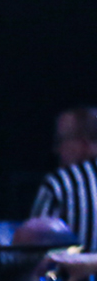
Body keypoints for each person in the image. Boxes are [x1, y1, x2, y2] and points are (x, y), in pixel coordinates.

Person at [31, 106, 97, 253]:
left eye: (61, 141)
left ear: (84, 145)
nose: (57, 150)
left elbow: (32, 250)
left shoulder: (59, 184)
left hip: (69, 275)